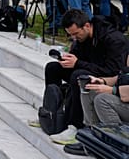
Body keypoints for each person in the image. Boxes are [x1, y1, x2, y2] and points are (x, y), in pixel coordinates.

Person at [42, 8, 129, 144]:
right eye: (71, 35)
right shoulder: (82, 38)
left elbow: (113, 71)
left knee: (79, 76)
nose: (74, 38)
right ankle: (50, 111)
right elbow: (78, 57)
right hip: (91, 69)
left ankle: (74, 126)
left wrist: (78, 63)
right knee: (53, 68)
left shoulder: (114, 39)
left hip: (108, 76)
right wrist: (68, 59)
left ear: (87, 26)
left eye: (76, 34)